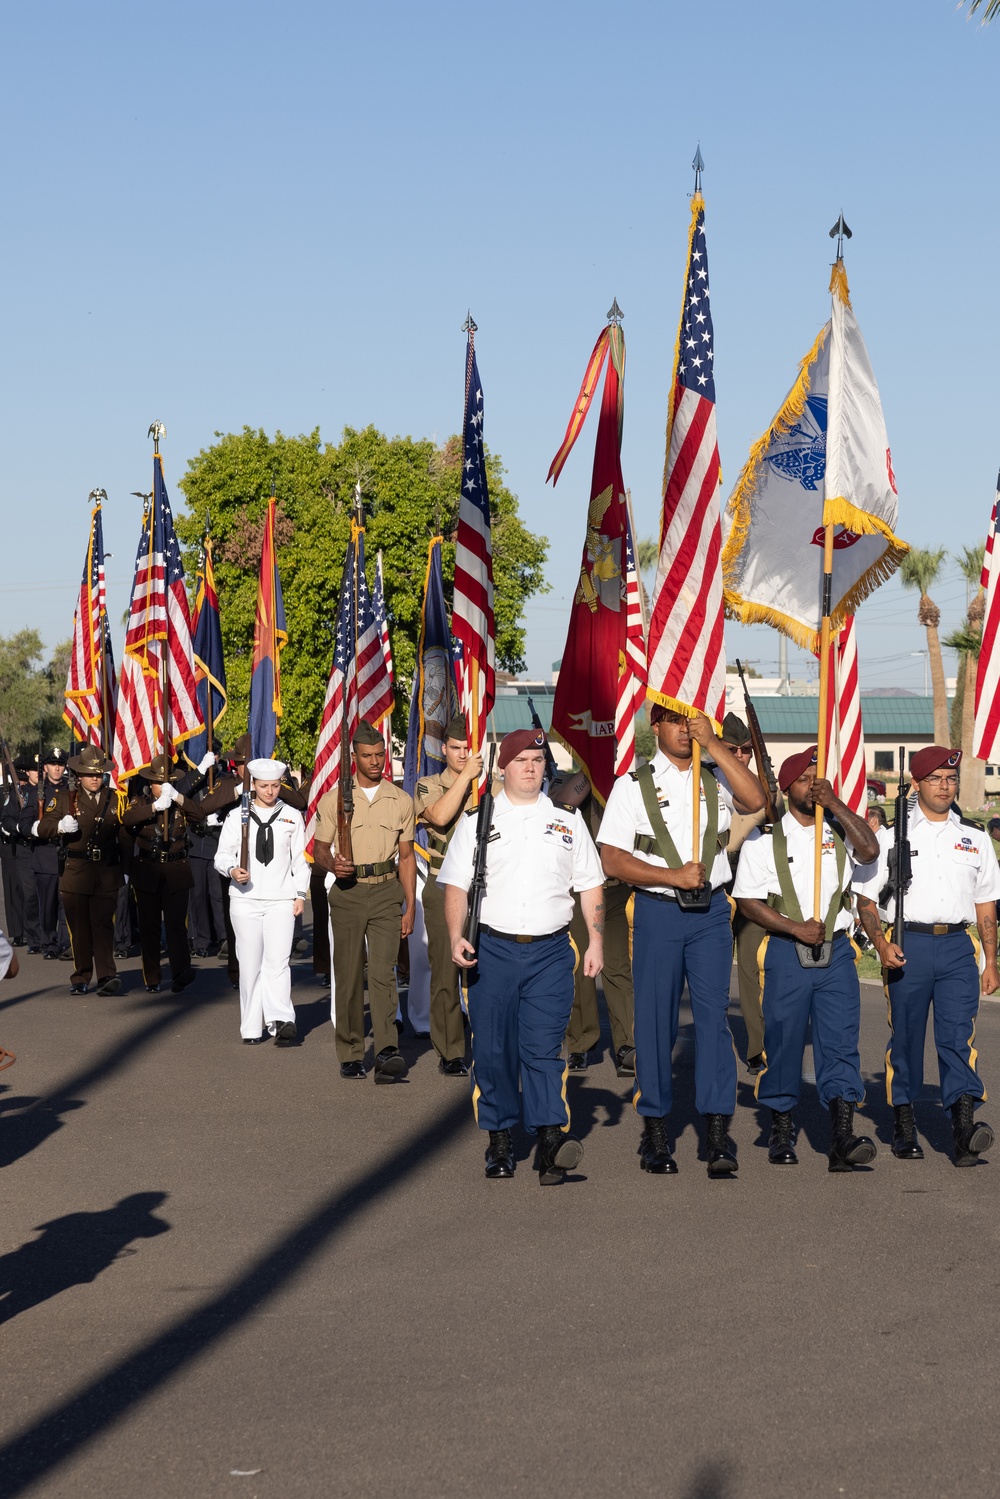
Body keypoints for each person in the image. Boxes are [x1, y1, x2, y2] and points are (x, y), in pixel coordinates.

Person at [598, 706, 766, 1177]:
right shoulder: (632, 787)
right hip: (658, 911)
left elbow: (756, 801)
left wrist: (713, 745)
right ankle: (655, 1131)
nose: (682, 729)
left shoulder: (715, 778)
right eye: (673, 721)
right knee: (654, 1023)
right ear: (655, 728)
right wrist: (670, 875)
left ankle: (716, 1132)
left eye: (689, 721)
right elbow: (611, 858)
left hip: (711, 912)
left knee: (713, 1021)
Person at [439, 728, 605, 1185]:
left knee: (544, 1050)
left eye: (537, 759)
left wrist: (596, 940)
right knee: (493, 1052)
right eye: (522, 760)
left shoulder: (568, 822)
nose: (531, 767)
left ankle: (551, 1140)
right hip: (492, 950)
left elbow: (590, 884)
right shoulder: (478, 820)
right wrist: (456, 936)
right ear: (503, 767)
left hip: (551, 952)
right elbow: (454, 885)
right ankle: (500, 1139)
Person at [732, 747, 881, 1171]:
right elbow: (746, 901)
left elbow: (869, 852)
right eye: (804, 780)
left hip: (835, 954)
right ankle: (781, 1127)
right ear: (786, 787)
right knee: (784, 1041)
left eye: (818, 778)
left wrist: (834, 803)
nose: (813, 785)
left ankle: (842, 1135)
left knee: (840, 1043)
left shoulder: (838, 829)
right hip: (786, 949)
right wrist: (794, 927)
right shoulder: (765, 840)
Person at [855, 745, 1000, 1166]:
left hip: (957, 946)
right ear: (916, 784)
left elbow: (986, 905)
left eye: (951, 779)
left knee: (958, 1038)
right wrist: (881, 945)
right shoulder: (891, 836)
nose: (945, 786)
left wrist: (991, 961)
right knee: (906, 1038)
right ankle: (903, 1122)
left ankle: (963, 1126)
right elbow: (864, 899)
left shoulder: (973, 837)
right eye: (935, 778)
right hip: (908, 945)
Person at [313, 720, 416, 1082]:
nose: (375, 761)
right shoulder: (335, 799)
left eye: (379, 754)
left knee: (385, 972)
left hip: (388, 890)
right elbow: (319, 850)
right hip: (349, 893)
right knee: (350, 973)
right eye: (367, 756)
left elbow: (406, 857)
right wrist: (333, 864)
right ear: (354, 756)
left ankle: (387, 1050)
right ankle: (352, 1052)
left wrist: (410, 906)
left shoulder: (401, 800)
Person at [215, 758, 308, 1045]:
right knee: (250, 963)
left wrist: (301, 894)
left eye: (275, 785)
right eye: (264, 786)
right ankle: (252, 1026)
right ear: (252, 785)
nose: (270, 791)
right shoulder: (236, 817)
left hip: (281, 898)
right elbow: (222, 856)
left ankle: (282, 1018)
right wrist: (232, 870)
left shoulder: (292, 816)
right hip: (246, 900)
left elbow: (300, 861)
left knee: (278, 961)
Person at [412, 714, 483, 1077]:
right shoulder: (428, 784)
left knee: (486, 970)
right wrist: (467, 778)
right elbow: (439, 817)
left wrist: (479, 781)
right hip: (442, 885)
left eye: (466, 749)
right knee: (445, 971)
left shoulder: (488, 786)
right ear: (444, 749)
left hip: (484, 888)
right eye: (455, 748)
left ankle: (490, 1043)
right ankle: (451, 1048)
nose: (461, 754)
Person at [35, 745, 125, 996]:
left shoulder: (115, 799)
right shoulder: (64, 798)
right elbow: (44, 828)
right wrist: (60, 827)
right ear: (79, 775)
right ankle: (82, 976)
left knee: (104, 925)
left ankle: (107, 975)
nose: (94, 778)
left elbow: (124, 836)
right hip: (75, 872)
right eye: (89, 773)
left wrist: (127, 869)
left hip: (106, 871)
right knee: (80, 928)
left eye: (98, 773)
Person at [562, 775, 635, 1079]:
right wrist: (590, 772)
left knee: (618, 967)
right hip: (580, 890)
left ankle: (627, 1046)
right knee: (582, 969)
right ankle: (580, 1043)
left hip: (616, 889)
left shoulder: (626, 785)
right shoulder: (568, 781)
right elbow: (564, 802)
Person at [716, 712, 771, 1075]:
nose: (740, 756)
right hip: (718, 882)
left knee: (752, 969)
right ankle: (715, 1041)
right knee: (716, 972)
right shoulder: (706, 779)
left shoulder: (766, 783)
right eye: (732, 749)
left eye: (746, 750)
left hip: (754, 884)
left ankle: (756, 1049)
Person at [121, 755, 202, 994]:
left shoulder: (180, 802)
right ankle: (152, 978)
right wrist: (155, 807)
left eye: (166, 782)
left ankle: (181, 973)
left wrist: (176, 797)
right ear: (150, 783)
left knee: (177, 926)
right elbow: (128, 819)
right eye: (158, 782)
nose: (162, 785)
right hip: (148, 869)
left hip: (176, 870)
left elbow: (198, 814)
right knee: (150, 927)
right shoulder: (141, 801)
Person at [17, 748, 71, 958]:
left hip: (67, 855)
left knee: (66, 903)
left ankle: (66, 944)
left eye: (60, 764)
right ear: (45, 768)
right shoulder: (34, 793)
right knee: (47, 905)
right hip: (45, 853)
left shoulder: (71, 790)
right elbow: (23, 824)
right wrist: (35, 829)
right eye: (53, 764)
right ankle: (49, 944)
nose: (57, 768)